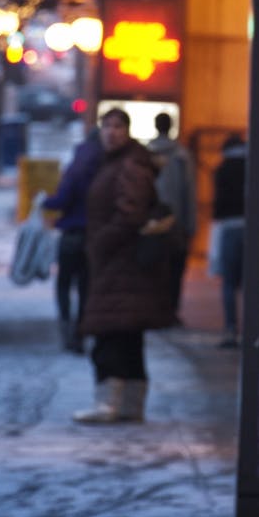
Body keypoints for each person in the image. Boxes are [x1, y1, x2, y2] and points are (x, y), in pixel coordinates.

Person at [73, 108, 175, 424]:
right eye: (107, 126)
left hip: (120, 262)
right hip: (121, 263)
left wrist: (100, 243)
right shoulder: (117, 162)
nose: (111, 133)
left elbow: (129, 213)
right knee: (127, 335)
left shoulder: (129, 165)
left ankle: (109, 402)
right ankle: (130, 403)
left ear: (128, 131)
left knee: (110, 332)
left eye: (118, 127)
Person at [40, 127, 103, 353]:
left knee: (64, 284)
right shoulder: (106, 169)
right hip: (94, 237)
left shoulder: (77, 167)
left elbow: (61, 200)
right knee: (86, 287)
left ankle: (66, 327)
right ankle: (80, 330)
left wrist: (46, 202)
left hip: (71, 236)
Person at [147, 111, 197, 325]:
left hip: (151, 222)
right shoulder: (181, 155)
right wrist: (190, 225)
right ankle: (171, 311)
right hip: (176, 223)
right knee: (175, 270)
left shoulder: (146, 154)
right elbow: (189, 192)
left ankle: (153, 309)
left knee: (153, 267)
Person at [209, 134, 246, 348]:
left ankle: (231, 329)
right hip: (251, 227)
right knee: (251, 283)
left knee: (229, 283)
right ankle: (252, 331)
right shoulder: (253, 167)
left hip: (229, 226)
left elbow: (218, 203)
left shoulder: (222, 169)